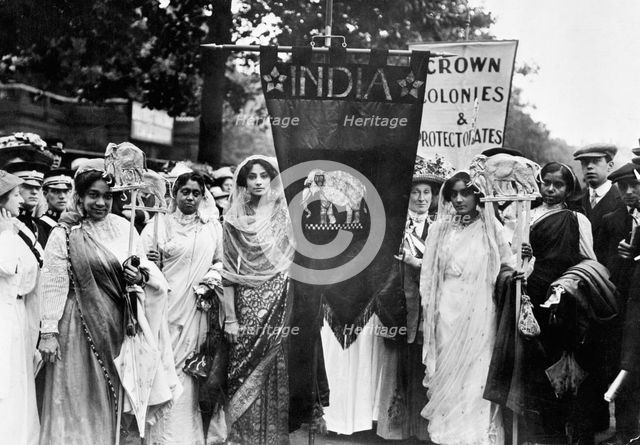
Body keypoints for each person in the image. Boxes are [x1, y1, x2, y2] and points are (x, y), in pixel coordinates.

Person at [37, 163, 180, 444]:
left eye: (107, 196)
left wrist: (138, 275)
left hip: (117, 325)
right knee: (76, 393)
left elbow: (146, 272)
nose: (101, 202)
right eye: (93, 195)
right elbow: (53, 281)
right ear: (79, 197)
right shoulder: (64, 233)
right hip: (77, 326)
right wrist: (49, 332)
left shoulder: (124, 229)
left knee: (111, 391)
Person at [420, 171, 515, 445]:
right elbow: (427, 275)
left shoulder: (490, 227)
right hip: (446, 309)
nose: (460, 199)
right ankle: (448, 435)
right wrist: (429, 312)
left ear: (477, 196)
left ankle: (475, 437)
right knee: (448, 372)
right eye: (454, 194)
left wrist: (519, 270)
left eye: (466, 193)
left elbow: (506, 266)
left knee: (477, 372)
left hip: (482, 310)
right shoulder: (440, 229)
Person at [519, 162, 612, 445]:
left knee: (553, 368)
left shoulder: (575, 219)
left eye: (557, 185)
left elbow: (589, 261)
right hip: (526, 298)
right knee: (526, 367)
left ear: (568, 189)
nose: (550, 189)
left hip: (557, 304)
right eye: (545, 182)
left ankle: (558, 434)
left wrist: (565, 285)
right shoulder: (526, 214)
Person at [142, 172, 224, 445]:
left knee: (190, 372)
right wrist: (152, 261)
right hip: (164, 306)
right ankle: (158, 437)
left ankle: (186, 437)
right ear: (175, 194)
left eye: (196, 193)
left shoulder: (211, 226)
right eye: (184, 192)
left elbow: (222, 261)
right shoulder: (158, 224)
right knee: (163, 365)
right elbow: (139, 264)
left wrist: (210, 281)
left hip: (197, 307)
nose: (190, 197)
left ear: (203, 196)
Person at [221, 155, 294, 445]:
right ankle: (241, 438)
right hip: (245, 301)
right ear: (244, 182)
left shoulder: (285, 216)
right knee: (241, 367)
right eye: (252, 176)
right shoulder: (233, 220)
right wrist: (230, 317)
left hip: (279, 297)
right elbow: (227, 271)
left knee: (275, 367)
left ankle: (272, 438)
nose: (259, 181)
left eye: (264, 175)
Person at [375, 156, 449, 440]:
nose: (420, 198)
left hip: (430, 306)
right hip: (396, 305)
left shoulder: (440, 227)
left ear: (433, 197)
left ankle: (423, 429)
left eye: (426, 192)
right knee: (397, 366)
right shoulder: (394, 228)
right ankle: (396, 428)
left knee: (425, 364)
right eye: (416, 192)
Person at [596, 162, 640, 445]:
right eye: (623, 187)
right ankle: (625, 432)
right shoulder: (612, 220)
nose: (629, 192)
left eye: (634, 186)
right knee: (625, 367)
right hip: (623, 307)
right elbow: (602, 262)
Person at [0, 169, 40, 445]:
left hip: (18, 313)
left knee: (19, 381)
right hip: (4, 313)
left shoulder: (14, 229)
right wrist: (6, 235)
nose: (20, 200)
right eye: (15, 195)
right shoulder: (6, 234)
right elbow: (9, 267)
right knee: (7, 382)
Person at [573, 143, 622, 261]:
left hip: (610, 274)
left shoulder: (622, 201)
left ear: (610, 166)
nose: (589, 167)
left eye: (596, 161)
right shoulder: (575, 200)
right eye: (584, 163)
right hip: (578, 271)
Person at [39, 169, 74, 246]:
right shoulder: (39, 226)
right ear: (45, 194)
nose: (62, 196)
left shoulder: (74, 224)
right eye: (56, 191)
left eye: (66, 191)